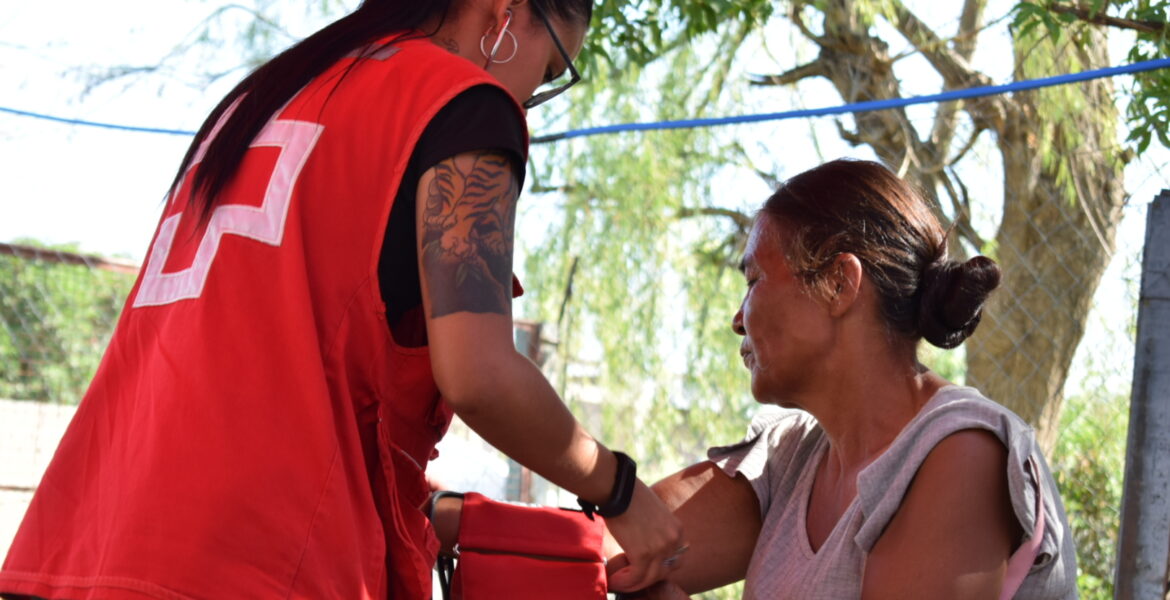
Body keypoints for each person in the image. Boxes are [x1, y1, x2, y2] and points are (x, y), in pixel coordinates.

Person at [0, 1, 685, 599]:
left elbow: (273, 389)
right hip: (256, 565)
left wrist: (447, 514)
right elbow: (478, 375)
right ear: (504, 15)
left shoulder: (270, 96)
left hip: (75, 549)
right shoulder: (464, 105)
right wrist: (621, 490)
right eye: (551, 71)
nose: (530, 98)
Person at [606, 159, 1077, 599]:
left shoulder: (960, 452)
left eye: (753, 281)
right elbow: (608, 553)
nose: (736, 319)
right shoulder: (790, 455)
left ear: (838, 284)